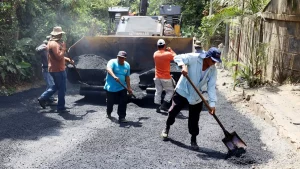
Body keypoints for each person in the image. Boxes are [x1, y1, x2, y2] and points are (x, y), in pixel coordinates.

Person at [161, 47, 222, 150]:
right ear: (207, 57)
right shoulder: (194, 58)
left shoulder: (213, 70)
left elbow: (211, 87)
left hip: (196, 95)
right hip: (183, 90)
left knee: (194, 118)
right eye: (212, 60)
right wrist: (183, 66)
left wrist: (212, 105)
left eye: (216, 62)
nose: (213, 63)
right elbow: (177, 57)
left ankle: (193, 139)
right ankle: (167, 127)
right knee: (173, 111)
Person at [38, 26, 74, 113]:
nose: (61, 35)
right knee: (62, 89)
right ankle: (61, 107)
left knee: (56, 86)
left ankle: (43, 97)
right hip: (59, 69)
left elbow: (56, 56)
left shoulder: (50, 43)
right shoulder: (55, 44)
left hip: (53, 69)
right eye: (61, 34)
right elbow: (58, 57)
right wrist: (64, 49)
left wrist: (68, 60)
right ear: (59, 35)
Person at [104, 51, 133, 123]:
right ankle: (109, 112)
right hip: (111, 87)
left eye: (122, 58)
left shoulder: (127, 65)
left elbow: (127, 77)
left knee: (123, 102)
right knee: (110, 102)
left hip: (122, 87)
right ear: (117, 57)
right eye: (119, 57)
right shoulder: (112, 62)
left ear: (125, 58)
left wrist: (129, 88)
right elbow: (108, 69)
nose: (120, 59)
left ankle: (122, 117)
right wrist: (114, 76)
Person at [153, 39, 176, 113]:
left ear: (157, 46)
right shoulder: (167, 54)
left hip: (157, 77)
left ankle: (157, 107)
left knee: (158, 91)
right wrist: (170, 50)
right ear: (164, 45)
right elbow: (176, 57)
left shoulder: (155, 54)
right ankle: (164, 105)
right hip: (165, 77)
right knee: (170, 91)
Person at [36, 36, 57, 105]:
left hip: (50, 69)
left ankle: (50, 97)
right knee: (51, 85)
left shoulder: (51, 48)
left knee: (51, 84)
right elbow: (37, 49)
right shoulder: (43, 47)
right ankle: (48, 100)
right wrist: (44, 46)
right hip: (46, 69)